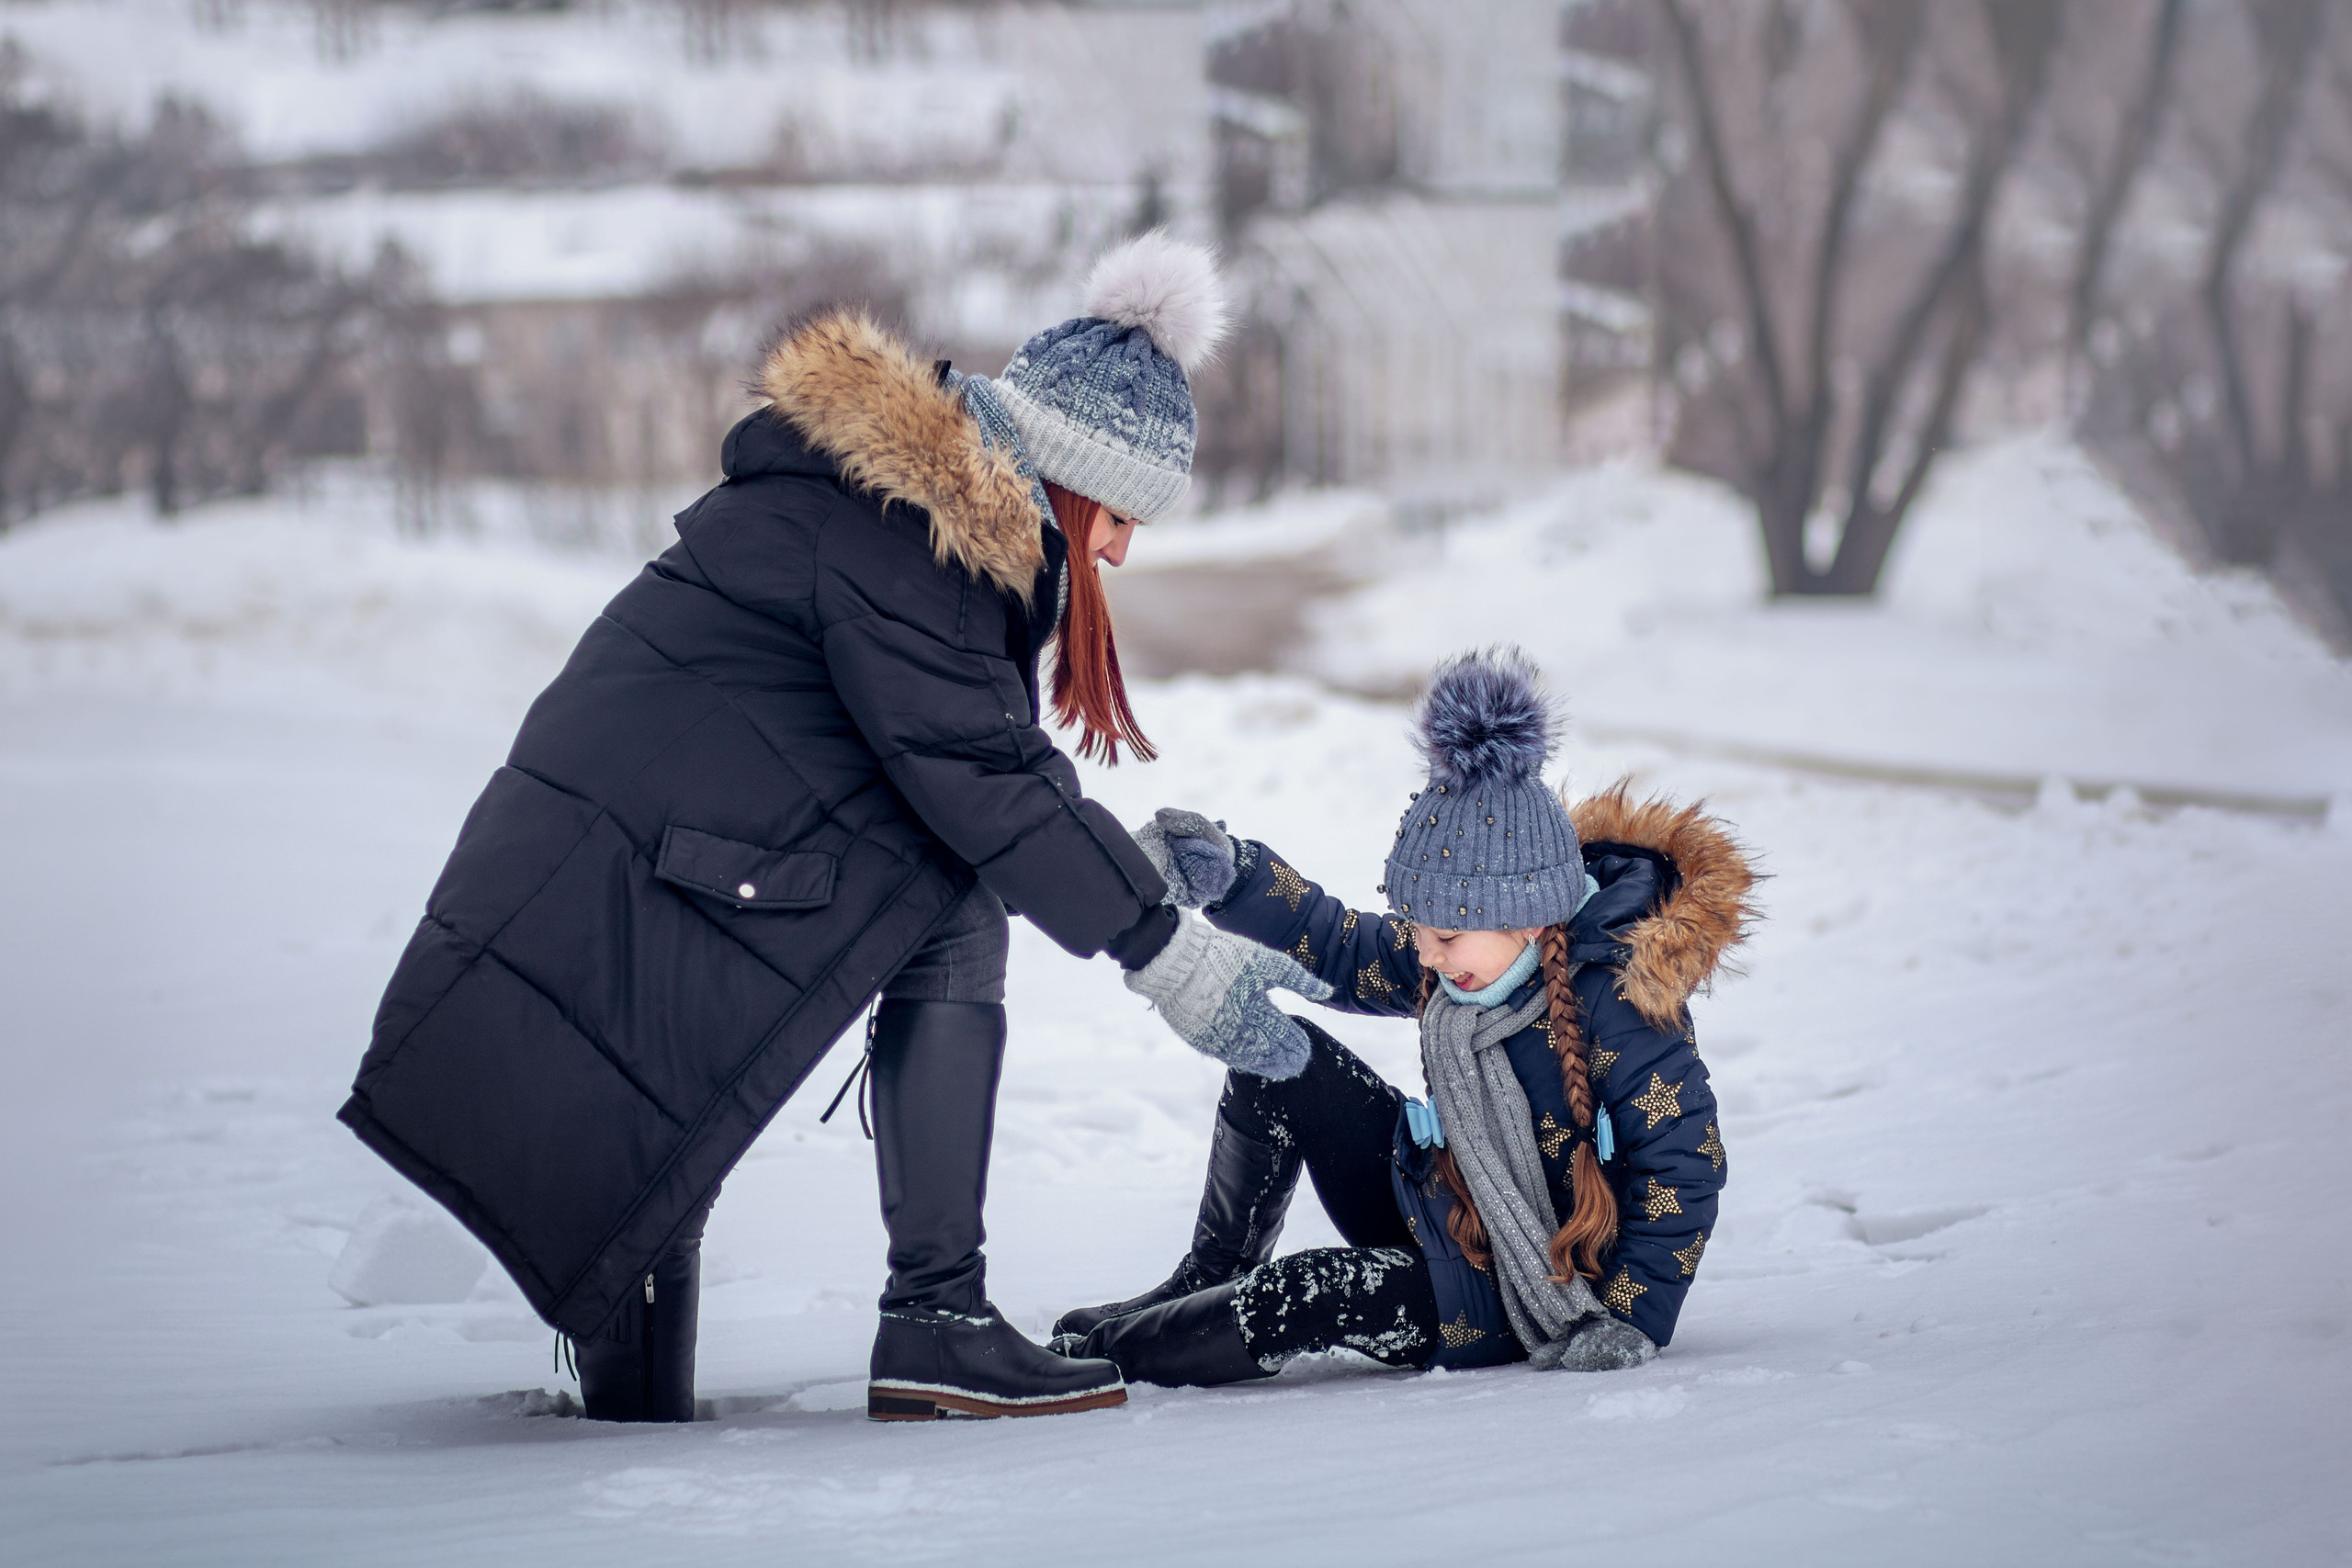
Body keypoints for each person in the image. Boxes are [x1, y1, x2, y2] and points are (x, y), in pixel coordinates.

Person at [336, 232, 1329, 1424]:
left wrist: (1131, 876)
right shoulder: (907, 541)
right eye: (1120, 514)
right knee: (944, 907)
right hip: (622, 884)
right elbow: (987, 783)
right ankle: (936, 1316)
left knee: (670, 1172)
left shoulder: (907, 518)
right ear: (1067, 473)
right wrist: (1168, 947)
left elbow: (973, 772)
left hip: (632, 874)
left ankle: (918, 1318)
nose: (1118, 547)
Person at [1055, 648, 1758, 1383]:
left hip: (1524, 1287)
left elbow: (1686, 1165)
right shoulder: (1463, 965)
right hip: (1445, 1202)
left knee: (1306, 1293)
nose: (1424, 953)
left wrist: (1628, 1317)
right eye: (1418, 928)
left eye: (1444, 935)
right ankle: (1201, 1283)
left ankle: (1107, 1361)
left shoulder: (1619, 1002)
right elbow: (1340, 940)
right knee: (1278, 1066)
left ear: (1523, 917)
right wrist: (1235, 875)